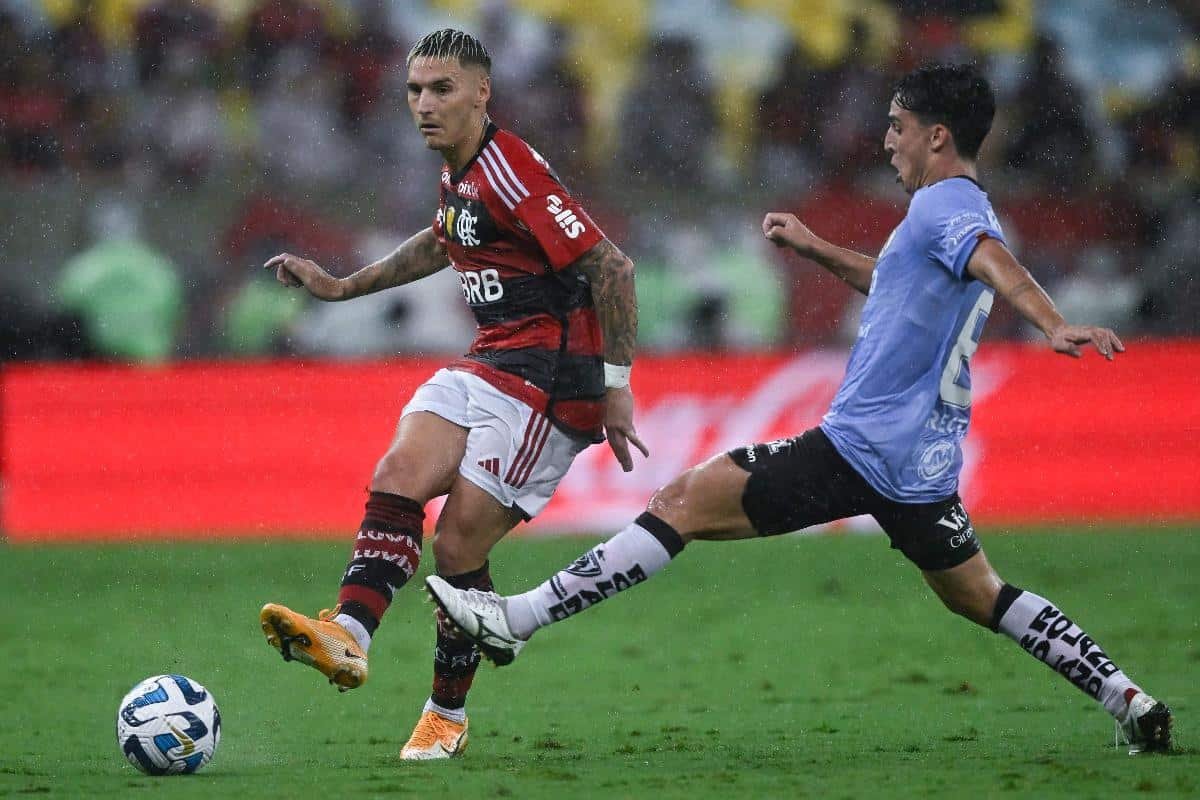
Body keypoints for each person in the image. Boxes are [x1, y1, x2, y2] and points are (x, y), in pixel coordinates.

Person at [426, 63, 1173, 755]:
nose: (887, 142)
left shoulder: (948, 207)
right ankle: (1127, 697)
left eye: (897, 126)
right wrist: (816, 248)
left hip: (862, 447)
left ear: (936, 136)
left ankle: (518, 618)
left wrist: (1050, 322)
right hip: (921, 465)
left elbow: (992, 261)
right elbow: (897, 283)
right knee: (981, 594)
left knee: (684, 499)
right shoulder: (953, 210)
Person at [257, 29, 647, 761]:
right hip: (488, 360)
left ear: (482, 93)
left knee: (459, 545)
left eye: (441, 90)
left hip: (549, 383)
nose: (425, 105)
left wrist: (616, 389)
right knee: (396, 476)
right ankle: (349, 635)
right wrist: (342, 288)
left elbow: (613, 267)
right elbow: (446, 239)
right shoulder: (461, 175)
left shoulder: (513, 168)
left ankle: (446, 714)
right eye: (414, 90)